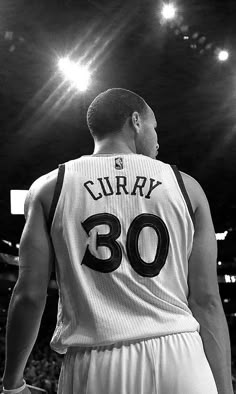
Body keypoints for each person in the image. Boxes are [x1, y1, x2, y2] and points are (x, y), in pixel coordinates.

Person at [1, 88, 234, 394]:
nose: (158, 140)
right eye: (155, 128)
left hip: (95, 362)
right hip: (183, 357)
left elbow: (29, 295)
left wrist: (13, 383)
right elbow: (206, 301)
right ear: (136, 121)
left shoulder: (48, 188)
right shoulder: (186, 187)